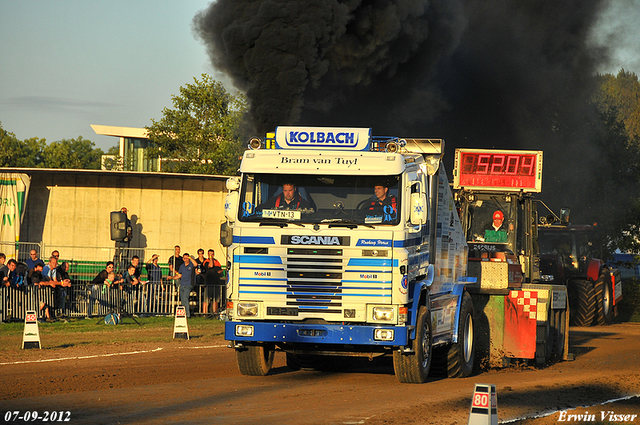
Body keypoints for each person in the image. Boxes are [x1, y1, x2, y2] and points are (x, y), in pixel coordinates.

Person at [168, 253, 197, 318]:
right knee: (183, 299)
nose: (185, 259)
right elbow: (179, 275)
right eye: (184, 258)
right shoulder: (181, 266)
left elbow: (196, 264)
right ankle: (184, 313)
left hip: (189, 284)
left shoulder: (191, 265)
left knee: (185, 298)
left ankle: (187, 314)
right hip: (182, 284)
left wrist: (190, 258)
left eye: (187, 258)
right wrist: (172, 277)